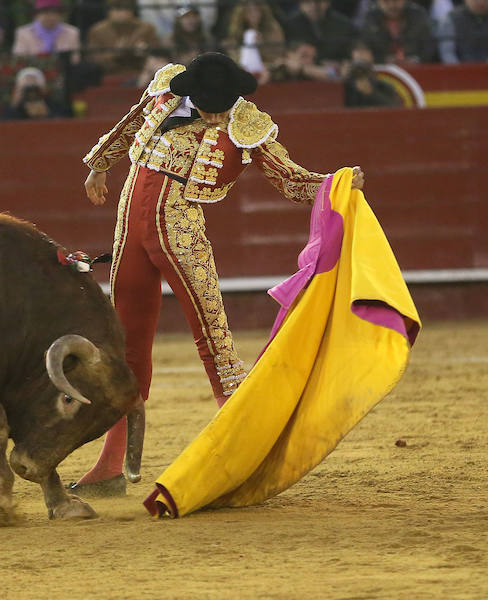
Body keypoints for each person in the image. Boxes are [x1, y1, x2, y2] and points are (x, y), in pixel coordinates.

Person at [69, 52, 364, 495]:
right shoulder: (164, 92)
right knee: (125, 345)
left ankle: (249, 458)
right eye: (209, 104)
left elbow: (287, 177)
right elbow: (128, 124)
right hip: (129, 228)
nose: (216, 113)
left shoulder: (245, 123)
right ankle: (112, 467)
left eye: (222, 104)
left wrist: (336, 183)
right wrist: (99, 164)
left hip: (182, 232)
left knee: (216, 344)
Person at [86, 0, 161, 75]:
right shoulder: (97, 31)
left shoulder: (146, 28)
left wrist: (145, 51)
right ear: (108, 11)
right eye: (115, 8)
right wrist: (115, 53)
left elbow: (159, 54)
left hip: (140, 72)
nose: (119, 13)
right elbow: (93, 59)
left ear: (132, 10)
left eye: (124, 8)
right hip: (108, 74)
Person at [282, 0, 357, 64]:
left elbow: (350, 53)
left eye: (318, 1)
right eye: (308, 2)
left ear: (328, 2)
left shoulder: (343, 25)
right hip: (300, 73)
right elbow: (287, 53)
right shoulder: (289, 25)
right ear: (300, 4)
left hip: (335, 72)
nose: (314, 6)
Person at [222, 0, 286, 76]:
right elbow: (233, 54)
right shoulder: (236, 31)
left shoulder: (272, 28)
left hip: (269, 69)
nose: (253, 14)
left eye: (256, 10)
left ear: (263, 11)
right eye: (249, 11)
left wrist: (262, 47)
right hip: (244, 70)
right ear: (242, 13)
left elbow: (277, 55)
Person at [361, 0, 437, 63]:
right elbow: (364, 50)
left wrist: (416, 59)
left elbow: (429, 46)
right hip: (383, 72)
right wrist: (383, 59)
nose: (392, 5)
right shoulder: (370, 18)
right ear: (379, 2)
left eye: (396, 0)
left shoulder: (418, 16)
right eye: (386, 1)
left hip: (417, 70)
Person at [12, 0, 80, 63]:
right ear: (37, 15)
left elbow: (75, 60)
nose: (51, 17)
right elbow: (19, 60)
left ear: (61, 15)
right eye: (46, 13)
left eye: (54, 12)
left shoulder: (72, 33)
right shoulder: (23, 33)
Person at [267, 40, 334, 81]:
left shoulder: (314, 72)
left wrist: (300, 69)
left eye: (313, 58)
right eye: (304, 56)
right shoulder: (278, 67)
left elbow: (330, 74)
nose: (309, 61)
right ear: (289, 55)